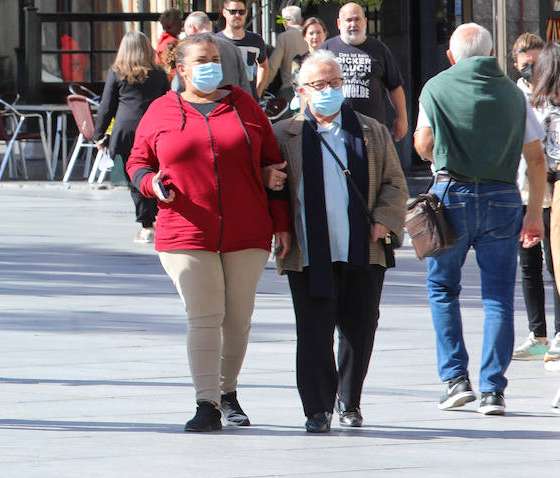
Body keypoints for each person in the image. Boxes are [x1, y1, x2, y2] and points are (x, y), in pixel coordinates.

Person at [128, 32, 290, 432]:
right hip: (185, 229)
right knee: (205, 315)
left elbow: (274, 162)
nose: (211, 66)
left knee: (237, 319)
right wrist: (152, 184)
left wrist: (281, 221)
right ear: (180, 69)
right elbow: (137, 163)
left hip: (248, 229)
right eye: (201, 60)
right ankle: (206, 404)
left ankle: (228, 392)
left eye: (215, 58)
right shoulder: (161, 111)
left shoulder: (244, 104)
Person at [414, 23, 546, 416]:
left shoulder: (435, 88)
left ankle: (456, 380)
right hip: (503, 197)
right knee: (498, 295)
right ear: (491, 56)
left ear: (452, 57)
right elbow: (536, 158)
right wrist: (534, 214)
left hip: (450, 195)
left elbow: (422, 143)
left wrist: (442, 150)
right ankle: (493, 390)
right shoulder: (512, 92)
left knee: (442, 288)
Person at [272, 51, 407, 432]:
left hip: (362, 247)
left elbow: (395, 183)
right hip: (309, 251)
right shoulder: (285, 134)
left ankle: (350, 400)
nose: (329, 90)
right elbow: (271, 188)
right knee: (313, 331)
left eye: (335, 83)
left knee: (359, 326)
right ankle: (316, 407)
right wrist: (270, 180)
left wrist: (383, 221)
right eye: (319, 84)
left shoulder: (370, 130)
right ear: (302, 90)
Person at [93, 30, 170, 243]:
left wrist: (99, 135)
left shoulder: (117, 72)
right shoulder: (159, 74)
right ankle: (159, 218)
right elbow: (168, 102)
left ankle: (147, 225)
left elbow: (107, 105)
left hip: (126, 131)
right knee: (158, 173)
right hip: (154, 129)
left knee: (135, 178)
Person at [510, 33, 556, 360]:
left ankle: (558, 334)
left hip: (552, 190)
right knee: (528, 264)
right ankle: (537, 331)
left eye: (537, 64)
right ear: (516, 65)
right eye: (526, 65)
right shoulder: (512, 96)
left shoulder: (553, 97)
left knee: (555, 264)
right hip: (523, 189)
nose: (532, 71)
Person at [323, 3, 408, 142]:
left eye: (357, 19)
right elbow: (310, 87)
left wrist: (402, 118)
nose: (353, 24)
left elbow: (394, 86)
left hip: (372, 130)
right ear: (339, 23)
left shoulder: (379, 49)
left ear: (365, 22)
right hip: (334, 129)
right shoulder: (326, 50)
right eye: (348, 20)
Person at [181, 11, 253, 95]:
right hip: (232, 104)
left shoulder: (188, 50)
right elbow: (244, 83)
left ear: (191, 27)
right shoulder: (233, 48)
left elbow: (179, 86)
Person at [216, 0, 270, 95]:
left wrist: (258, 92)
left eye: (241, 11)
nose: (237, 15)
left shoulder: (256, 40)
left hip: (248, 100)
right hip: (223, 100)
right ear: (224, 13)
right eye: (233, 11)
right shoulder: (215, 41)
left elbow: (263, 66)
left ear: (246, 13)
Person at [266, 5, 310, 101]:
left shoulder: (284, 37)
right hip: (311, 88)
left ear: (285, 22)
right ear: (301, 20)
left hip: (290, 88)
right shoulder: (311, 35)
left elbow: (273, 65)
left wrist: (262, 87)